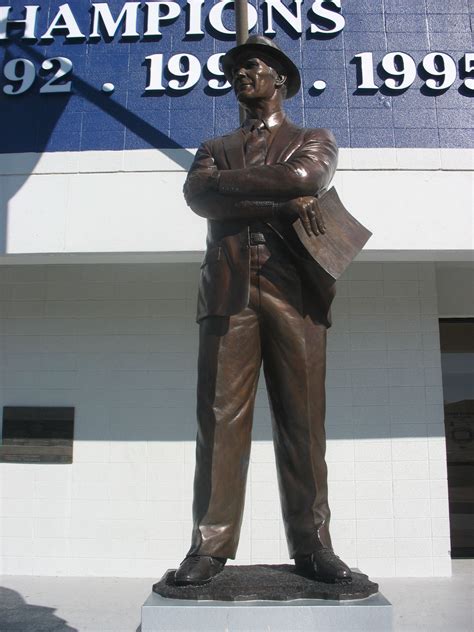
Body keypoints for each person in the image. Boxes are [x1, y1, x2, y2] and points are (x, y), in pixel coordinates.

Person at [174, 35, 352, 586]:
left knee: (302, 418)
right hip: (228, 287)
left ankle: (313, 543)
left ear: (280, 79)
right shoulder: (213, 147)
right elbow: (199, 196)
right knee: (219, 419)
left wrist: (231, 191)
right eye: (237, 68)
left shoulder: (312, 138)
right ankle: (209, 546)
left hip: (291, 287)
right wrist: (275, 198)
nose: (243, 73)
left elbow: (305, 179)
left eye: (255, 65)